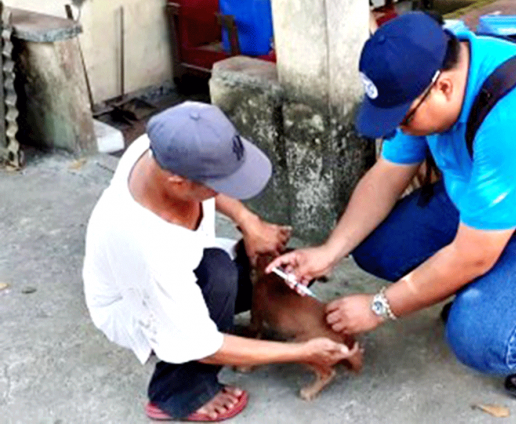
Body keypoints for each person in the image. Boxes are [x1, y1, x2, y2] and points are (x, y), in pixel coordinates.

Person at [267, 12, 516, 400]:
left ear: (442, 87)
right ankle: (500, 286)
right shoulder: (427, 75)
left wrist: (379, 306)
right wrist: (328, 252)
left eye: (402, 120)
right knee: (377, 248)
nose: (399, 129)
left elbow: (472, 255)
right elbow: (388, 172)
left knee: (483, 337)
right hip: (485, 200)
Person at [82, 102, 357, 421]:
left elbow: (213, 185)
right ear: (178, 180)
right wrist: (300, 351)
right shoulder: (148, 247)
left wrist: (248, 222)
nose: (225, 190)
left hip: (184, 264)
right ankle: (178, 393)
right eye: (218, 183)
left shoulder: (164, 144)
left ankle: (223, 310)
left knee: (272, 268)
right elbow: (202, 345)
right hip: (134, 304)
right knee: (219, 274)